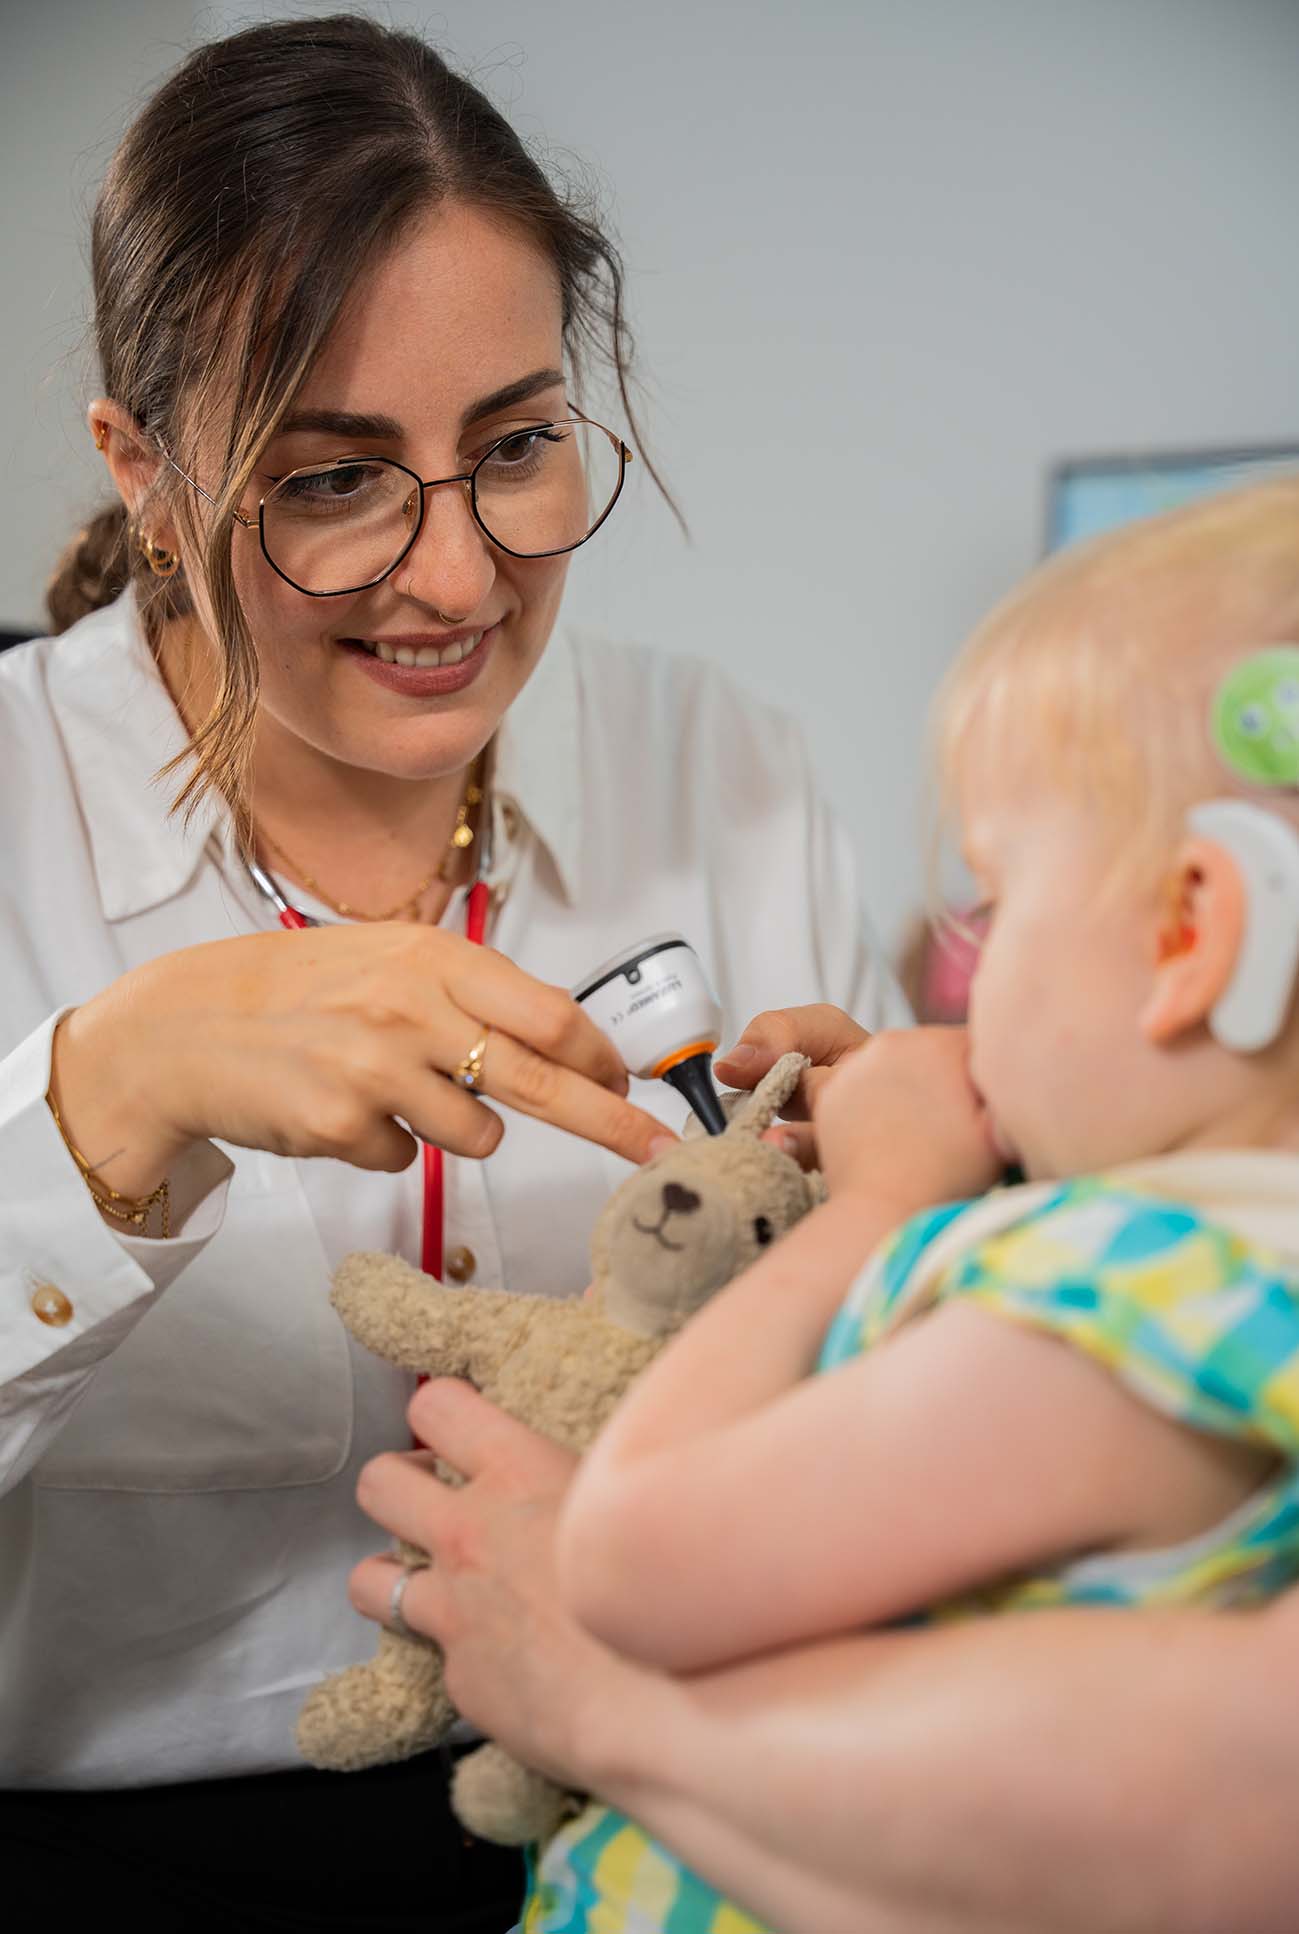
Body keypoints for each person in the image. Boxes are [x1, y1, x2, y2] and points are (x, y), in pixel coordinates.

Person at [0, 15, 904, 1930]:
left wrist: (896, 1225)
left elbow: (882, 1438)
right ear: (145, 472)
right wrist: (106, 1099)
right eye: (332, 481)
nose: (458, 579)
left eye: (512, 448)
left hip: (655, 1823)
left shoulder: (734, 768)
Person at [352, 479, 1299, 1934]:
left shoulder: (1115, 1290)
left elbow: (635, 1555)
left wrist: (883, 1203)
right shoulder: (1253, 1282)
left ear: (1193, 933)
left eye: (991, 898)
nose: (961, 963)